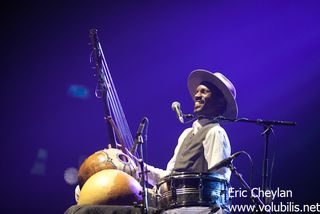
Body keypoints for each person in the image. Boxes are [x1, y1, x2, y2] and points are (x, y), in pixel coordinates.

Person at [144, 69, 238, 214]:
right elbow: (168, 177)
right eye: (197, 92)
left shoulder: (215, 132)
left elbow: (219, 184)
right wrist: (137, 167)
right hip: (174, 207)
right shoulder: (186, 133)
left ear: (219, 102)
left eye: (204, 91)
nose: (197, 96)